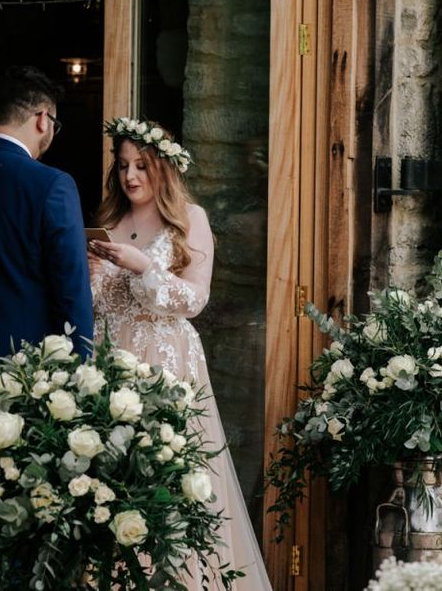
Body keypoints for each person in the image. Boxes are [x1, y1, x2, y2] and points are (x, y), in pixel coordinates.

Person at [88, 117, 272, 590]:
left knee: (169, 482)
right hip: (109, 366)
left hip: (165, 366)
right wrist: (87, 269)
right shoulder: (109, 222)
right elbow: (93, 303)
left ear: (164, 169)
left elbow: (194, 299)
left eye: (142, 166)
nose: (130, 176)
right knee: (111, 487)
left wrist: (144, 266)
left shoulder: (191, 220)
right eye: (124, 165)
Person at [0, 66, 93, 371]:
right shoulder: (52, 185)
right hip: (21, 367)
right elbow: (71, 290)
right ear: (43, 119)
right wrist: (81, 370)